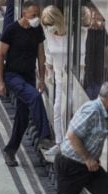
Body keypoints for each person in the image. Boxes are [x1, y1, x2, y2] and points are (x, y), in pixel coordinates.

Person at [0, 1, 51, 167]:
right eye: (33, 15)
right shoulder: (11, 31)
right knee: (35, 97)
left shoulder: (37, 30)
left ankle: (10, 150)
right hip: (13, 75)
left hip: (29, 77)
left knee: (22, 116)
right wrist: (0, 81)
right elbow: (0, 56)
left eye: (37, 16)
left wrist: (41, 78)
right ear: (24, 14)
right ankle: (45, 137)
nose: (36, 19)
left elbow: (41, 55)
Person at [41, 5, 69, 149]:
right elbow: (48, 52)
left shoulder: (72, 33)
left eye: (50, 25)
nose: (49, 28)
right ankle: (59, 142)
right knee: (58, 108)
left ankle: (69, 142)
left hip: (72, 79)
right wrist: (48, 67)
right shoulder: (48, 33)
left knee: (67, 109)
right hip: (58, 76)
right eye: (46, 26)